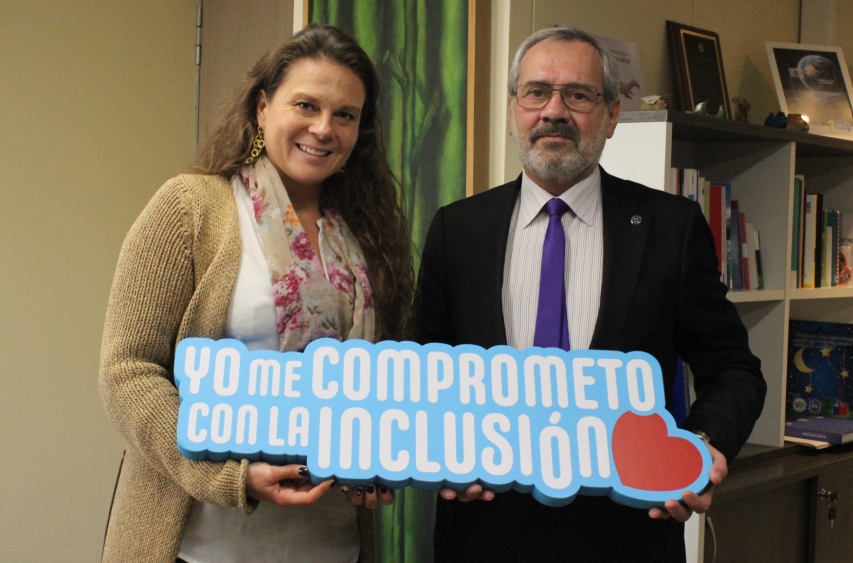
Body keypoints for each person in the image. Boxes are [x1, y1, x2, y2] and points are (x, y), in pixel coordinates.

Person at [416, 27, 767, 562]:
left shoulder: (670, 228)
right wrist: (441, 455)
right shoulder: (456, 229)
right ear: (513, 110)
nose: (554, 111)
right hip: (484, 532)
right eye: (536, 92)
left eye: (578, 95)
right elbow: (426, 373)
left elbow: (734, 370)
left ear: (611, 116)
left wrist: (702, 447)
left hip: (628, 533)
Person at [99, 24, 413, 563]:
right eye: (306, 105)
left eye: (345, 115)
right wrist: (229, 476)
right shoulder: (191, 208)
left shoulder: (368, 233)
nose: (323, 128)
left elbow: (380, 384)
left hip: (332, 544)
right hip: (199, 544)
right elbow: (127, 371)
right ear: (263, 108)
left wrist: (384, 460)